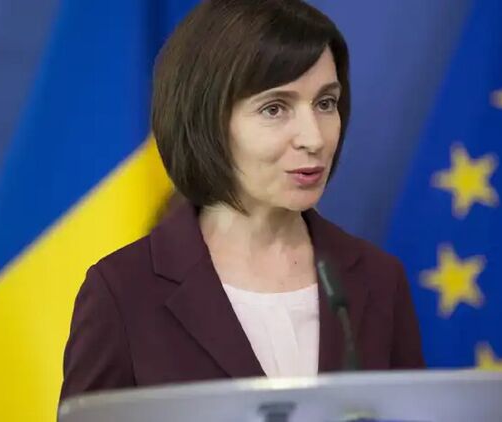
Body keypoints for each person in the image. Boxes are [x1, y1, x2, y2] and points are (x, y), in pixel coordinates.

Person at [60, 0, 424, 402]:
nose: (314, 138)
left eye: (325, 103)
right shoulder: (123, 291)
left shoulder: (379, 278)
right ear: (205, 120)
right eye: (275, 108)